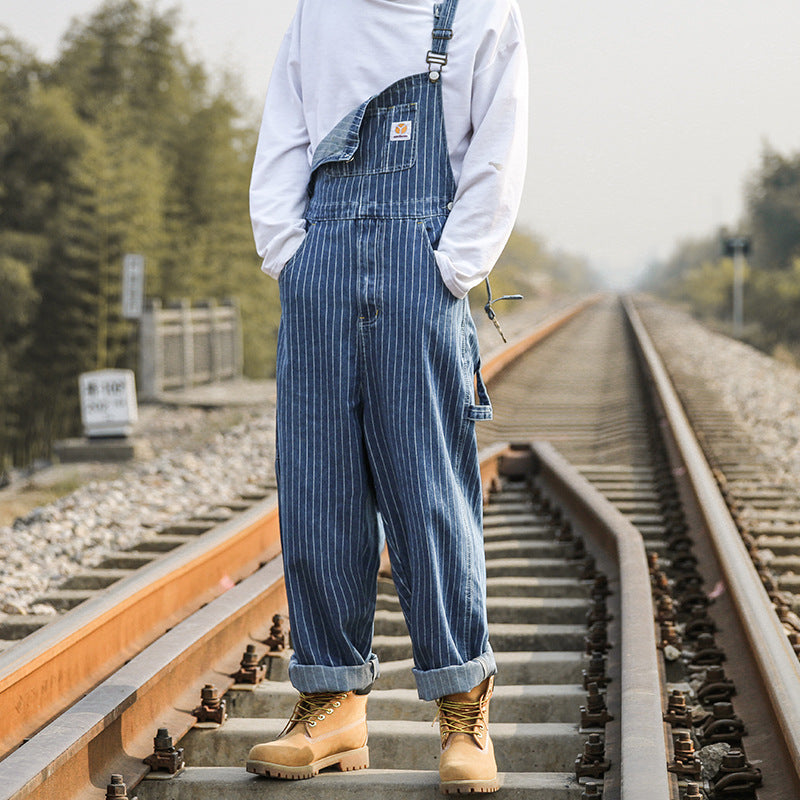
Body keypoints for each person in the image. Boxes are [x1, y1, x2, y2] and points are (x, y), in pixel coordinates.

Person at [246, 0, 527, 793]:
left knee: (429, 494)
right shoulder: (319, 12)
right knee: (319, 489)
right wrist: (290, 256)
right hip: (321, 263)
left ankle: (463, 713)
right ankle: (331, 704)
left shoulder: (477, 13)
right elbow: (284, 134)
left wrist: (452, 267)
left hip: (421, 268)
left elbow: (498, 150)